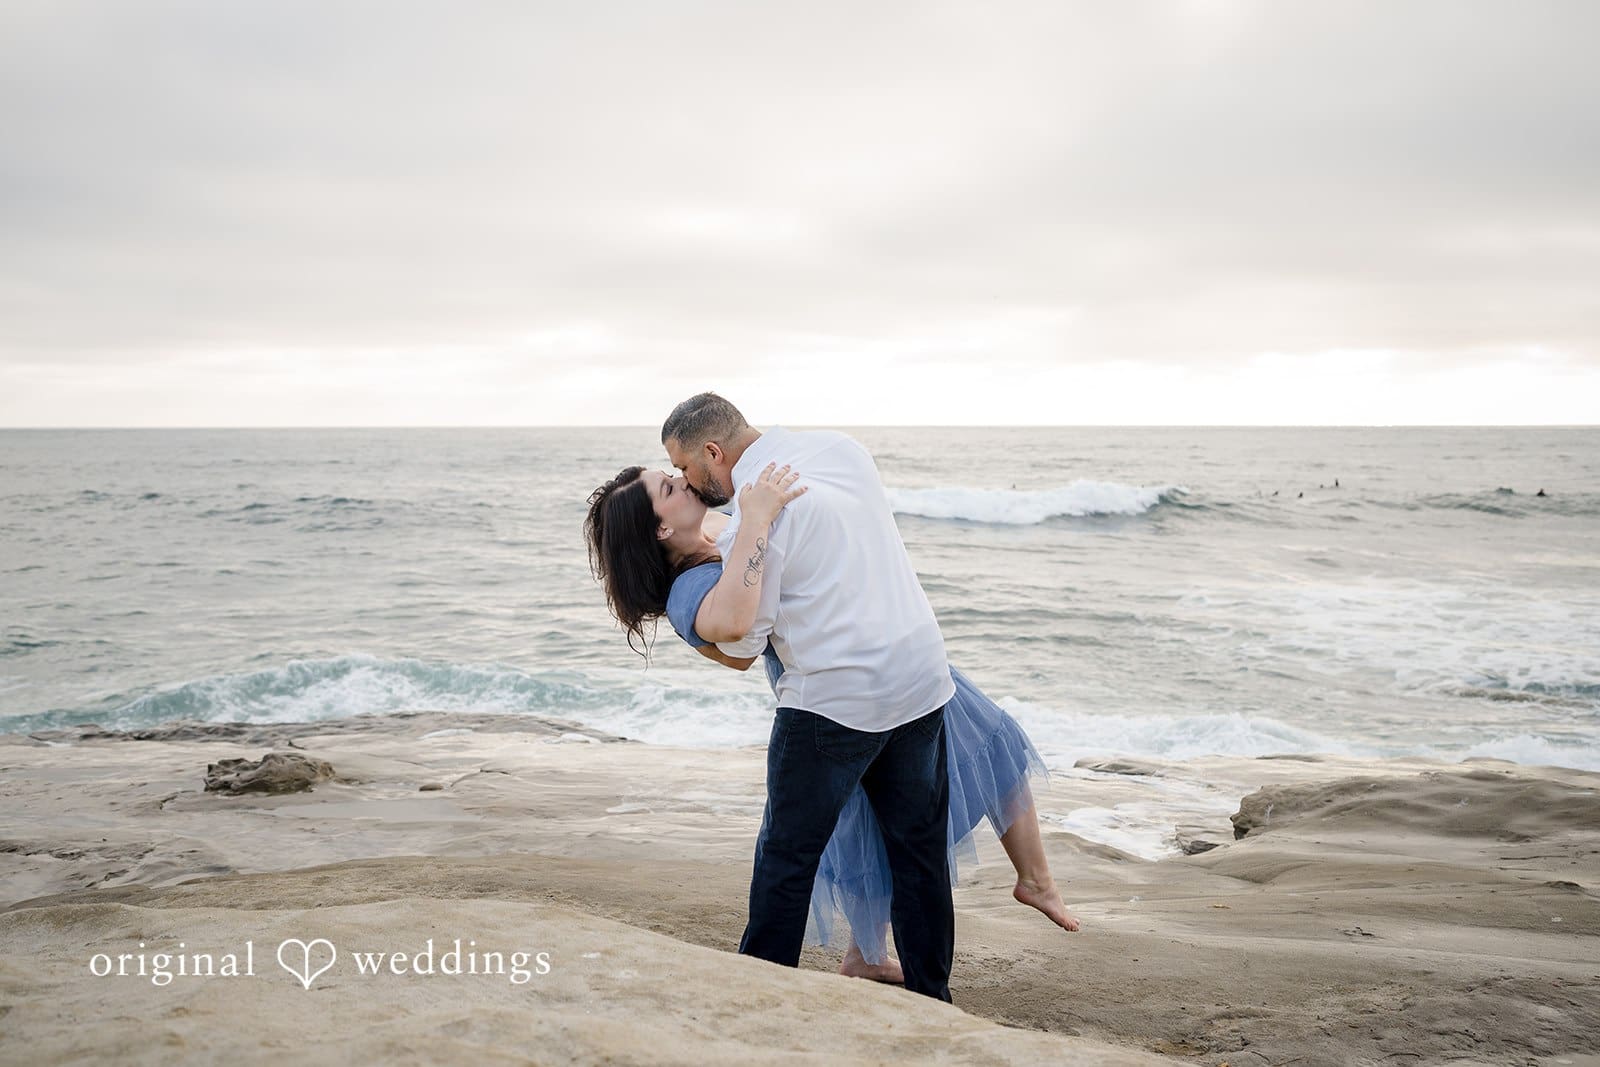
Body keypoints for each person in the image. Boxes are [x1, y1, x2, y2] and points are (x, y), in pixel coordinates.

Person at [584, 398, 1079, 995]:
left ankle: (761, 989)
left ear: (713, 453)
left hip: (834, 703)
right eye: (671, 481)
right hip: (922, 678)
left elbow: (743, 641)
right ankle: (932, 998)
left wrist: (752, 530)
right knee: (918, 856)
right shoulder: (841, 449)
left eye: (682, 469)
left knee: (788, 858)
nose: (685, 479)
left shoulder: (752, 518)